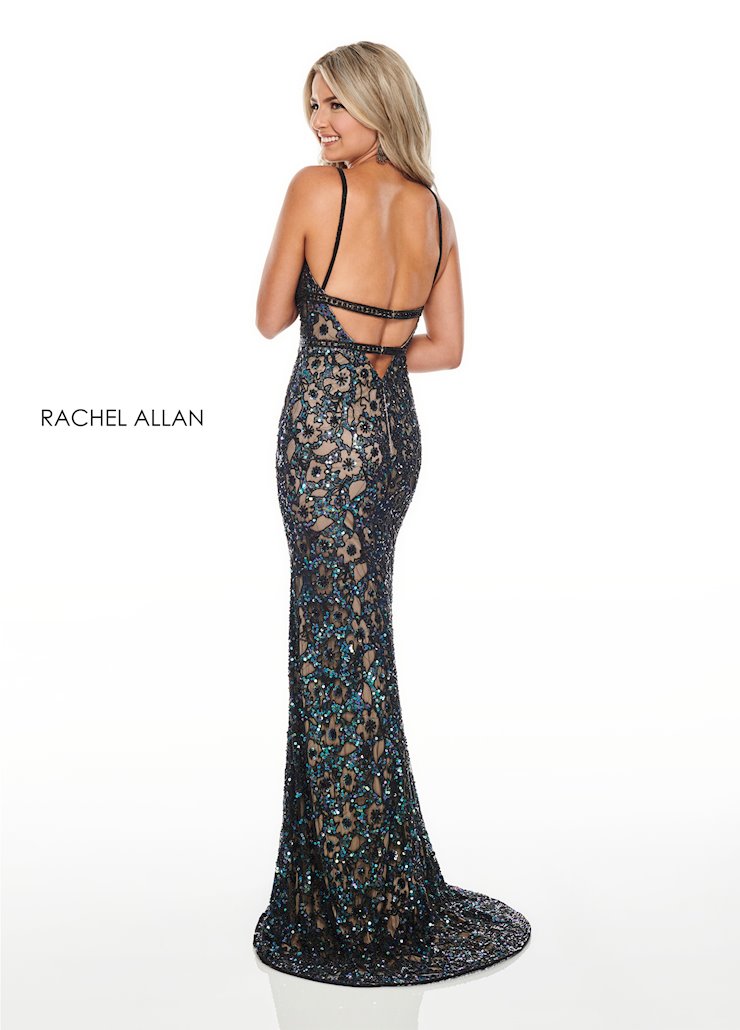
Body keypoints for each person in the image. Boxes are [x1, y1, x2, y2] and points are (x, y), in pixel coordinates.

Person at [253, 41, 531, 987]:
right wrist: (378, 352)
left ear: (382, 104)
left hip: (323, 437)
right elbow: (445, 347)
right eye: (313, 105)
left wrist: (338, 347)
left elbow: (268, 318)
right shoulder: (437, 212)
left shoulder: (313, 189)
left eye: (337, 104)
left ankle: (353, 895)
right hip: (393, 441)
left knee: (331, 648)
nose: (320, 122)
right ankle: (372, 870)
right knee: (357, 642)